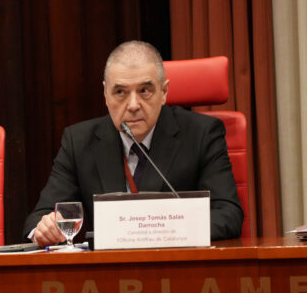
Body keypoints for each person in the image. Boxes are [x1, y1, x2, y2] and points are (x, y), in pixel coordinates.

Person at [24, 40, 243, 245]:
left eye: (144, 91)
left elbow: (228, 214)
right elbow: (38, 219)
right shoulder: (79, 141)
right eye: (120, 92)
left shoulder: (201, 135)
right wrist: (44, 229)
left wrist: (156, 232)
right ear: (105, 94)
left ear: (164, 92)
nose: (133, 105)